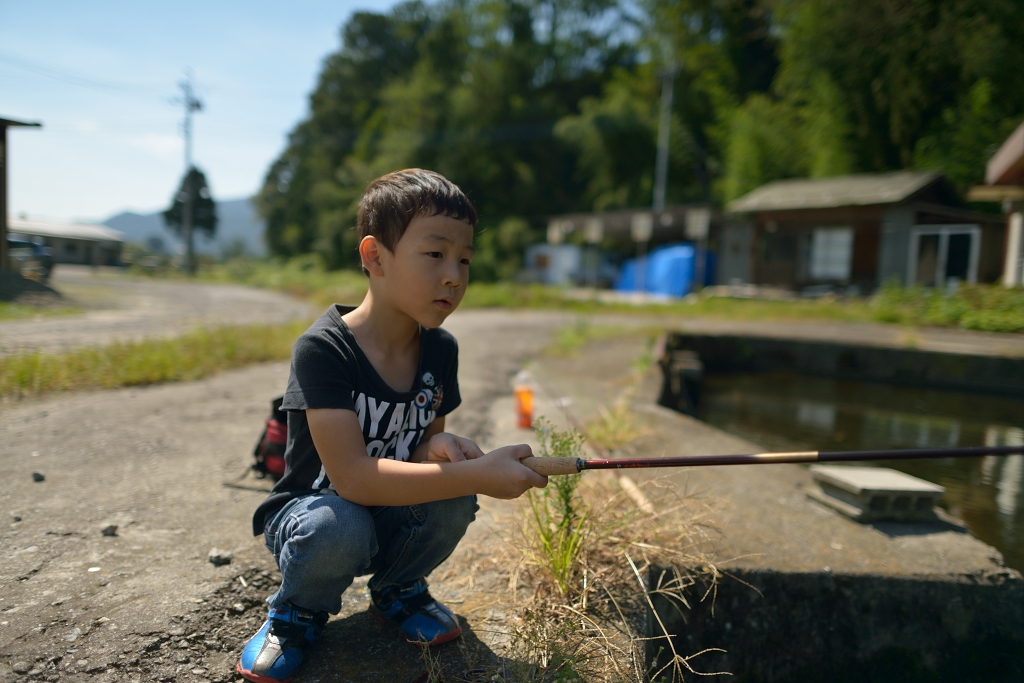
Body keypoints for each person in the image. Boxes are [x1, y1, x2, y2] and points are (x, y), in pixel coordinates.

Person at [237, 169, 548, 683]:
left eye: (465, 259)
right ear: (374, 257)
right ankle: (295, 613)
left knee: (451, 495)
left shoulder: (440, 349)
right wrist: (480, 475)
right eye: (435, 254)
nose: (454, 275)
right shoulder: (324, 349)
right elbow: (354, 480)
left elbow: (421, 453)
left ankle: (399, 589)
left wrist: (440, 449)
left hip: (388, 512)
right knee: (339, 525)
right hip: (315, 517)